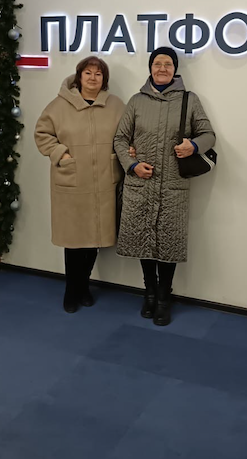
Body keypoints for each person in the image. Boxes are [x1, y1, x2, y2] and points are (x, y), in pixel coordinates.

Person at [113, 47, 215, 326]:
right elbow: (120, 139)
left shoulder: (189, 100)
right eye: (157, 63)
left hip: (172, 186)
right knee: (143, 242)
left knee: (168, 243)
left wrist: (194, 146)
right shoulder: (136, 101)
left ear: (175, 69)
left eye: (167, 64)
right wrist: (132, 165)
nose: (162, 68)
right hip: (141, 184)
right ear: (150, 68)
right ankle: (148, 292)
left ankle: (163, 297)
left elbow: (209, 135)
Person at [35, 57, 125, 313]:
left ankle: (83, 286)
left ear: (104, 79)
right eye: (88, 73)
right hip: (72, 184)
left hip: (103, 183)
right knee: (74, 241)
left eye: (98, 74)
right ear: (79, 76)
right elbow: (42, 133)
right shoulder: (59, 106)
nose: (93, 78)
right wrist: (60, 154)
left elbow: (127, 135)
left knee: (95, 240)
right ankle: (71, 290)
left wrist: (127, 150)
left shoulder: (116, 106)